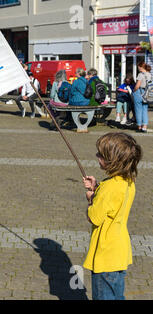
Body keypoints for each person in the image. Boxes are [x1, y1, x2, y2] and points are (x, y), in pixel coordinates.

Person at [82, 132, 142, 300]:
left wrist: (90, 199)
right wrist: (96, 188)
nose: (96, 156)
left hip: (106, 253)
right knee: (117, 296)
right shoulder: (128, 182)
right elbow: (112, 203)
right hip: (120, 250)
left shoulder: (108, 188)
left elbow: (94, 217)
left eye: (100, 155)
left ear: (112, 160)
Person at [133, 62, 151, 132]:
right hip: (146, 93)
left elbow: (137, 86)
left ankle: (139, 127)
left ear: (141, 67)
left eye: (138, 67)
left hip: (139, 92)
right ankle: (145, 127)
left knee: (138, 110)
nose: (138, 68)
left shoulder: (140, 75)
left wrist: (133, 91)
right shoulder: (149, 75)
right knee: (145, 110)